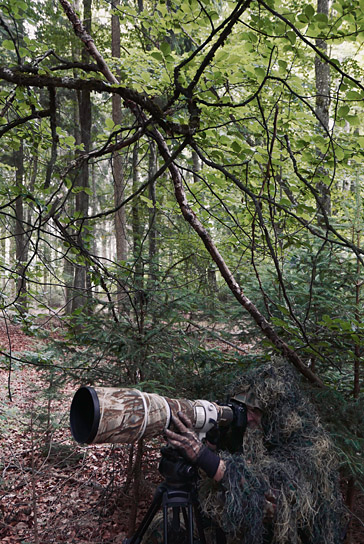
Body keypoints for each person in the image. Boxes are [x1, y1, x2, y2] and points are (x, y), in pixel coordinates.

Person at [164, 358, 347, 544]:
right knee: (166, 525)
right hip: (247, 529)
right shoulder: (254, 435)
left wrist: (206, 458)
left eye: (256, 411)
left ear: (276, 414)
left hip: (290, 536)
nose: (248, 418)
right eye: (244, 408)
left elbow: (272, 501)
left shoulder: (309, 445)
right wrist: (211, 445)